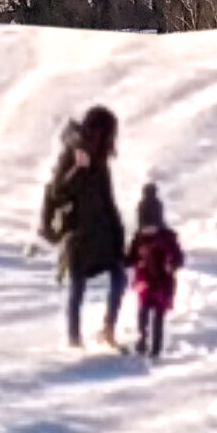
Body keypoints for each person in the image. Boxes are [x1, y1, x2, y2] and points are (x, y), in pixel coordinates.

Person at [39, 105, 129, 350]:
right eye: (109, 134)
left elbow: (108, 201)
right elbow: (58, 193)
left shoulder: (100, 161)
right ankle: (74, 340)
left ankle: (108, 329)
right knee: (77, 287)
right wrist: (79, 169)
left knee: (119, 277)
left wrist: (120, 238)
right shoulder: (71, 154)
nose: (110, 140)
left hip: (103, 233)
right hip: (78, 235)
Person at [125, 182, 185, 361]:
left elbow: (130, 258)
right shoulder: (161, 236)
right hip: (158, 280)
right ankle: (150, 344)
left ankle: (148, 342)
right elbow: (178, 257)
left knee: (147, 311)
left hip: (153, 279)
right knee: (152, 312)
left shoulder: (144, 236)